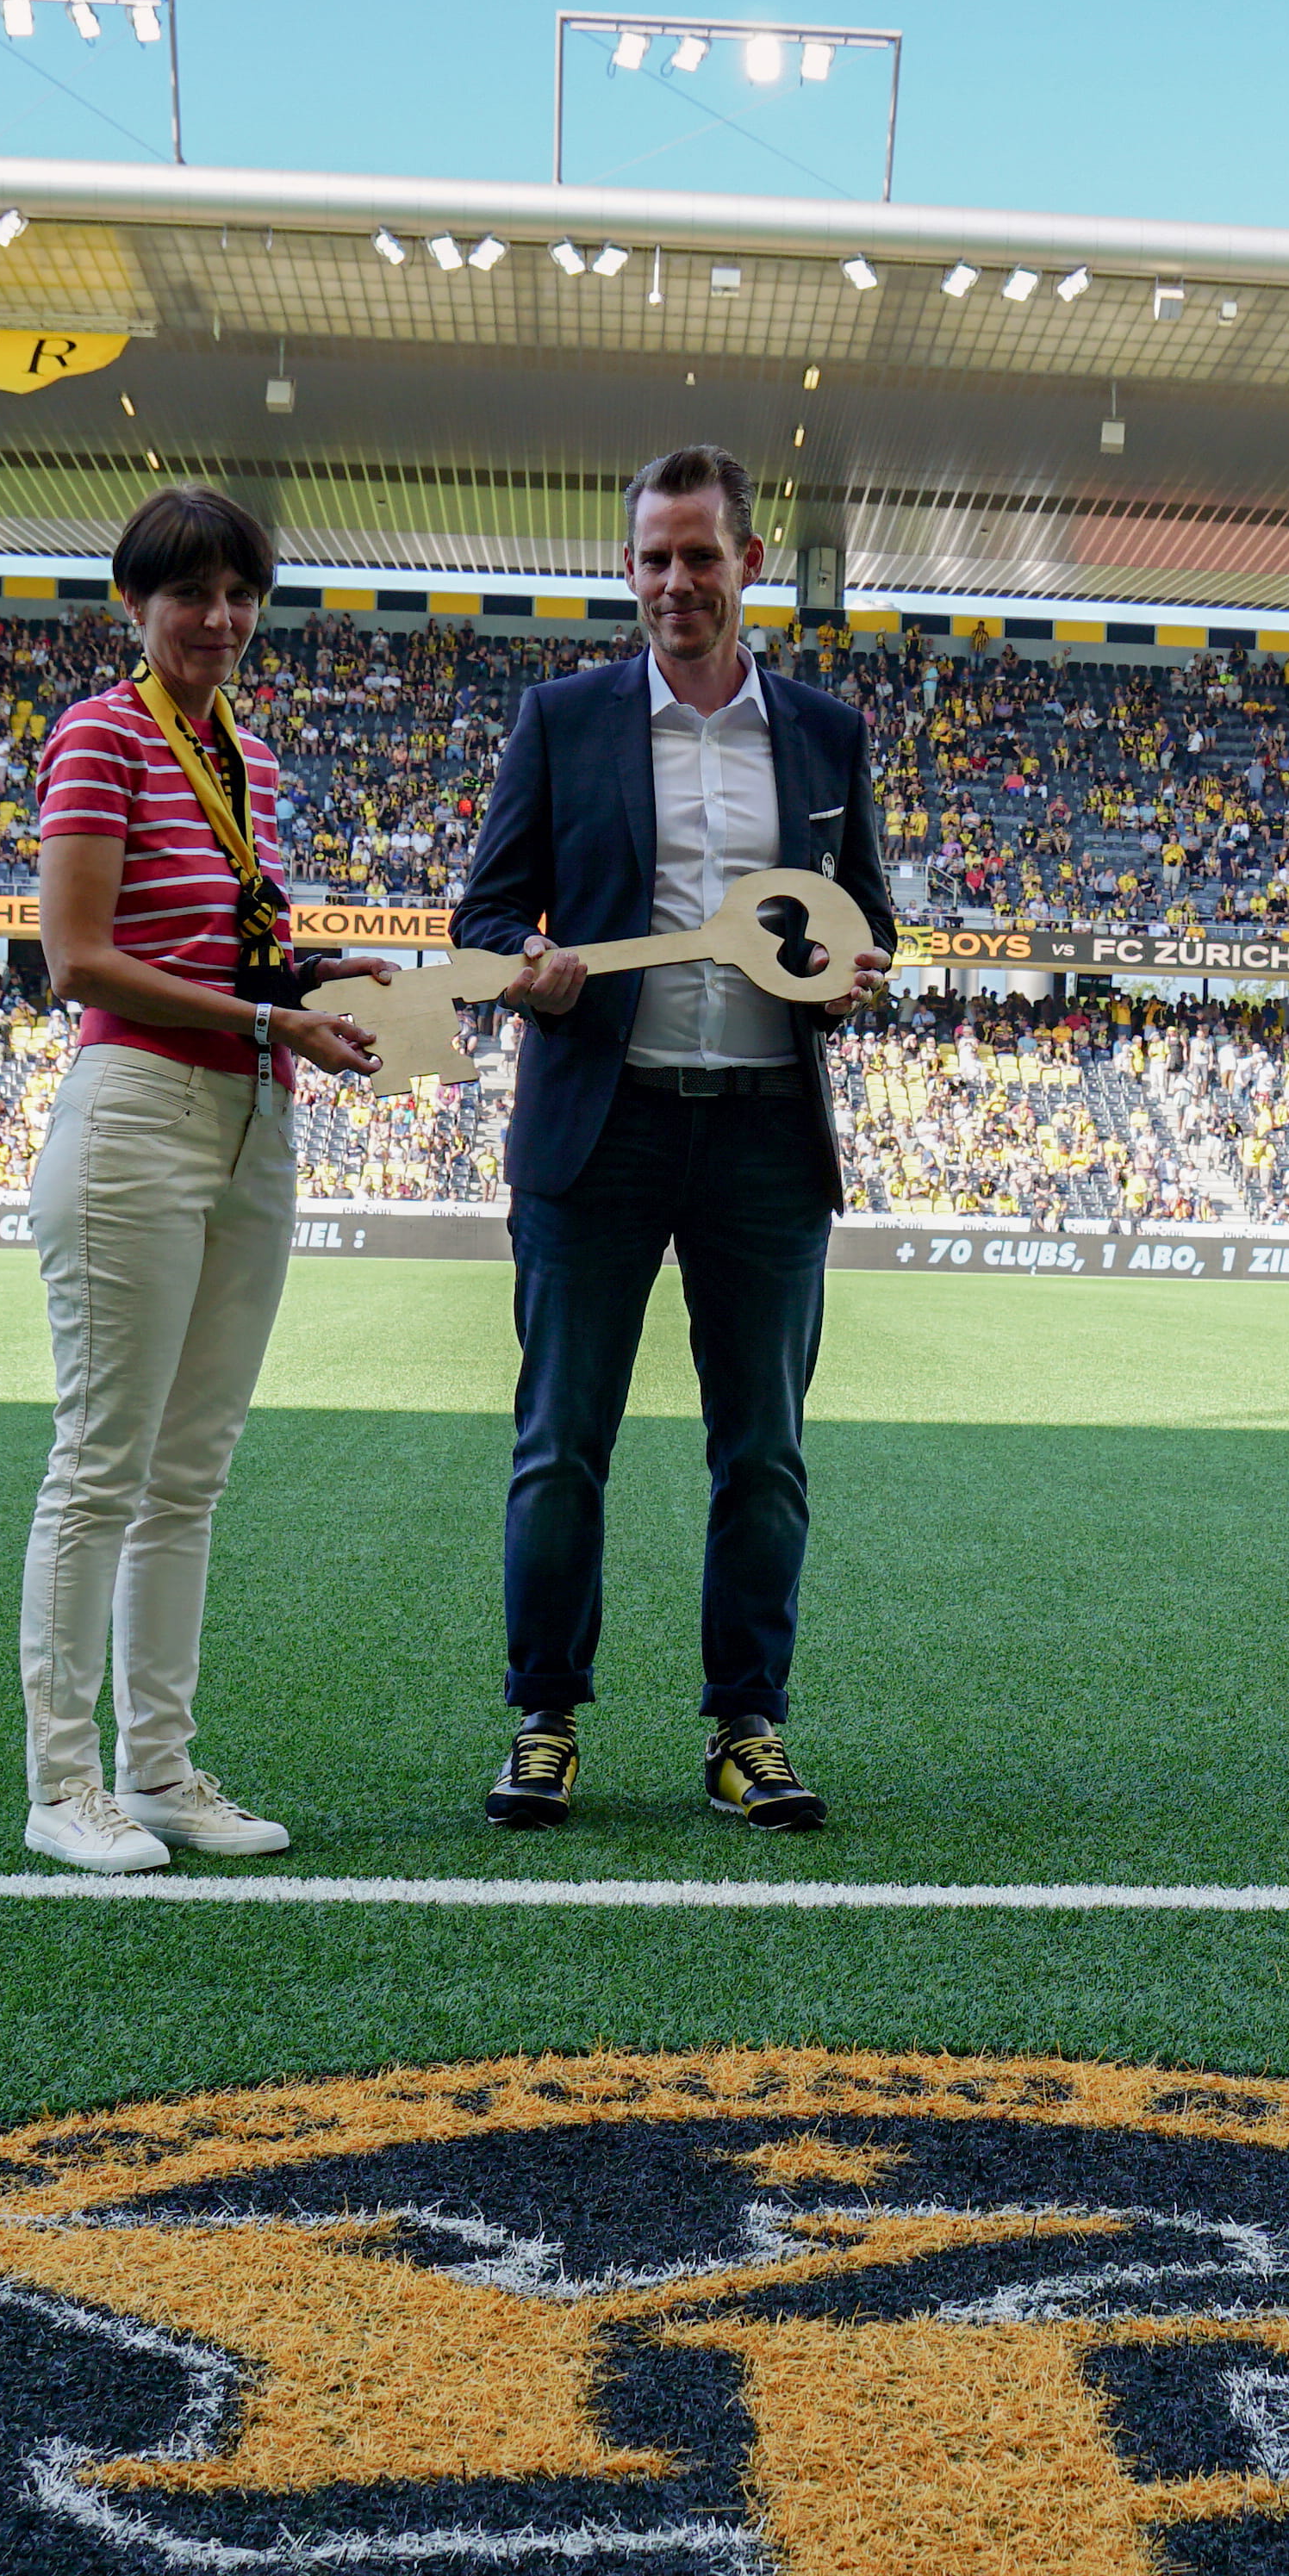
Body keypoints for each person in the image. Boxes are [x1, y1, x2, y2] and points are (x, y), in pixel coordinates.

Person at [456, 444, 894, 1832]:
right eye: (654, 557)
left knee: (762, 1453)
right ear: (628, 566)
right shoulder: (563, 719)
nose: (675, 582)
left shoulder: (824, 734)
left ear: (748, 562)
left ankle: (746, 1728)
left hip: (766, 1140)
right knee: (560, 1443)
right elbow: (484, 916)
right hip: (600, 1132)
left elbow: (864, 922)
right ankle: (545, 1720)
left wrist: (858, 973)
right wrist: (526, 966)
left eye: (701, 555)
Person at [12, 485, 380, 1875]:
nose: (219, 619)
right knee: (102, 1465)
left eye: (239, 595)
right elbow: (79, 959)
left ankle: (157, 1772)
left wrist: (316, 980)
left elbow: (230, 949)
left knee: (189, 1475)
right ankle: (63, 1785)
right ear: (136, 604)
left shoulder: (252, 760)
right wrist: (274, 1016)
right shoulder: (101, 735)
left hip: (250, 1115)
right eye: (190, 595)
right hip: (139, 1113)